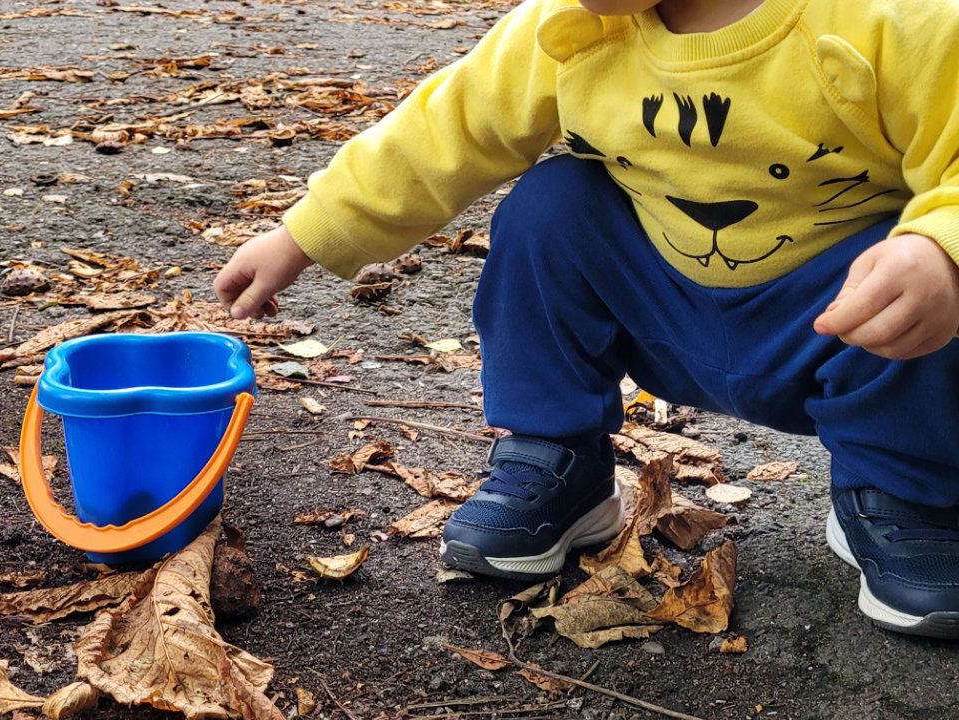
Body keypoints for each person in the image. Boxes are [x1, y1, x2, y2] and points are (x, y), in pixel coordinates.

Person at [214, 0, 959, 639]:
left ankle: (902, 489)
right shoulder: (571, 26)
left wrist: (941, 247)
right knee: (553, 205)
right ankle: (558, 457)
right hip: (662, 316)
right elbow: (443, 133)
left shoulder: (896, 22)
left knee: (922, 263)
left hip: (846, 328)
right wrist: (304, 234)